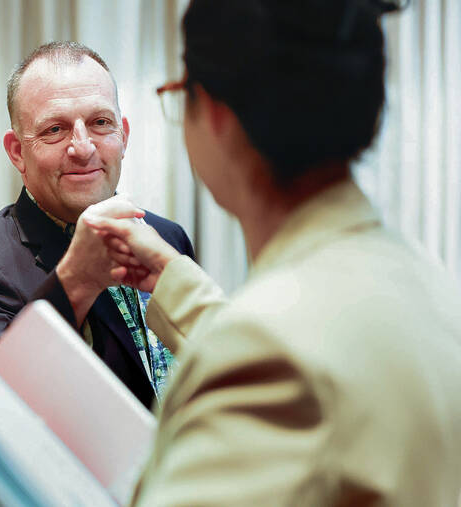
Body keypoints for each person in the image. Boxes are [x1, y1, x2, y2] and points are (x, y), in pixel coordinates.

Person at [85, 0, 461, 504]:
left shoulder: (264, 354)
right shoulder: (426, 282)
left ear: (215, 114)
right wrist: (175, 279)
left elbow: (280, 353)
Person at [0, 42, 195, 408]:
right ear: (18, 151)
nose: (83, 148)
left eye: (101, 123)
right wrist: (76, 281)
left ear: (124, 135)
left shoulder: (167, 236)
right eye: (55, 129)